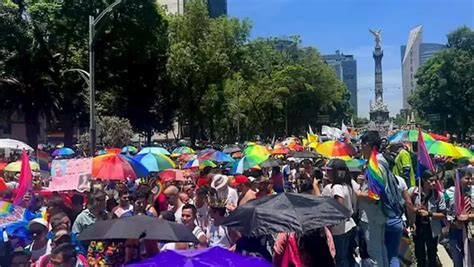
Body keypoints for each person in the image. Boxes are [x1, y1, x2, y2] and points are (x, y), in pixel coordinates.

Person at [358, 130, 389, 266]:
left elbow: (374, 196)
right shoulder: (380, 161)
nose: (360, 148)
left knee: (374, 254)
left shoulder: (375, 164)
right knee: (380, 250)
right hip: (378, 215)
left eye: (362, 145)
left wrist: (356, 193)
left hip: (372, 216)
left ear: (367, 145)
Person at [322, 159, 356, 267]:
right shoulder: (348, 185)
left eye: (329, 171)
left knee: (340, 259)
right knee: (347, 256)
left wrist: (331, 225)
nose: (327, 173)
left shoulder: (336, 187)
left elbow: (339, 204)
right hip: (349, 225)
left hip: (338, 229)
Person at [409, 170, 447, 267]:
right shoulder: (413, 192)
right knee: (420, 255)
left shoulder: (438, 195)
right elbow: (407, 206)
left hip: (431, 229)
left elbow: (443, 214)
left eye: (435, 180)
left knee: (432, 255)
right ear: (424, 181)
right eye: (431, 180)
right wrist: (413, 211)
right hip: (418, 228)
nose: (434, 183)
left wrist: (429, 214)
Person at [446, 167, 474, 267]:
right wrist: (452, 219)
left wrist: (469, 216)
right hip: (455, 231)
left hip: (471, 231)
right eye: (467, 178)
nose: (470, 181)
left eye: (471, 178)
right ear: (458, 179)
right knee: (457, 260)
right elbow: (445, 211)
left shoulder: (473, 192)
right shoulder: (449, 193)